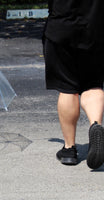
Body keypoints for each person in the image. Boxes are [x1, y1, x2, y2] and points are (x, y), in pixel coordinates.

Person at [43, 0, 104, 169]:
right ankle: (95, 125)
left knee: (67, 88)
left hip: (62, 27)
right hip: (95, 27)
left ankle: (69, 149)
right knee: (93, 85)